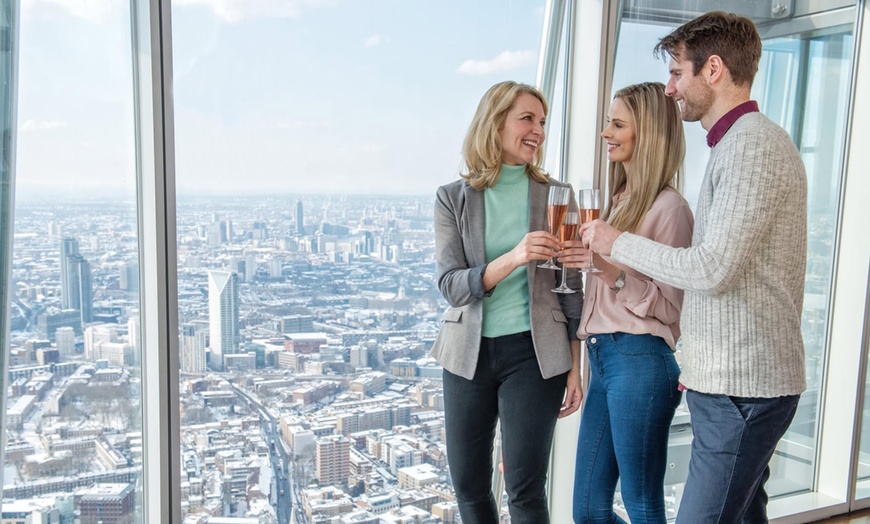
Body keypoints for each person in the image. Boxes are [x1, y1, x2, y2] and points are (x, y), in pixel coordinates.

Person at [579, 11, 808, 524]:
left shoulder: (751, 147)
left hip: (743, 391)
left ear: (714, 70)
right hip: (732, 386)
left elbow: (711, 270)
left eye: (678, 72)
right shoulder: (737, 145)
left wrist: (618, 244)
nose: (670, 87)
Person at [432, 80, 584, 524]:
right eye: (527, 118)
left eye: (542, 121)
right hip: (467, 357)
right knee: (469, 487)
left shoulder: (557, 196)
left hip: (534, 356)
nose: (537, 130)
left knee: (525, 489)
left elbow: (570, 287)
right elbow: (452, 285)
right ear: (496, 122)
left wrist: (575, 365)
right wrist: (514, 257)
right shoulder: (453, 198)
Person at [558, 81, 693, 524]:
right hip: (605, 359)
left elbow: (670, 309)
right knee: (588, 512)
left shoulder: (670, 210)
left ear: (648, 134)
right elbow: (605, 281)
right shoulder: (615, 202)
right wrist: (590, 264)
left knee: (643, 506)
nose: (605, 133)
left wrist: (609, 268)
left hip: (640, 359)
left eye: (618, 124)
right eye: (607, 123)